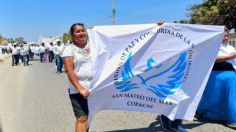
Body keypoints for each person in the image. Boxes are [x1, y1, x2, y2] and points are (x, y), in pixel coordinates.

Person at [196, 27, 236, 130]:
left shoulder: (231, 48)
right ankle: (204, 112)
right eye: (223, 36)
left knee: (231, 98)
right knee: (213, 97)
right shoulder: (213, 47)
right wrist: (229, 57)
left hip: (231, 76)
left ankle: (232, 119)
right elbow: (213, 59)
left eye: (227, 36)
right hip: (216, 75)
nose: (226, 38)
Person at [62, 23, 92, 132]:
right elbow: (69, 70)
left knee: (89, 116)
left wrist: (97, 32)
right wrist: (80, 88)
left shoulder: (93, 45)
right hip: (78, 89)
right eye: (78, 31)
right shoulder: (69, 49)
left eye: (83, 30)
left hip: (94, 87)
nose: (81, 33)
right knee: (82, 117)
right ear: (73, 35)